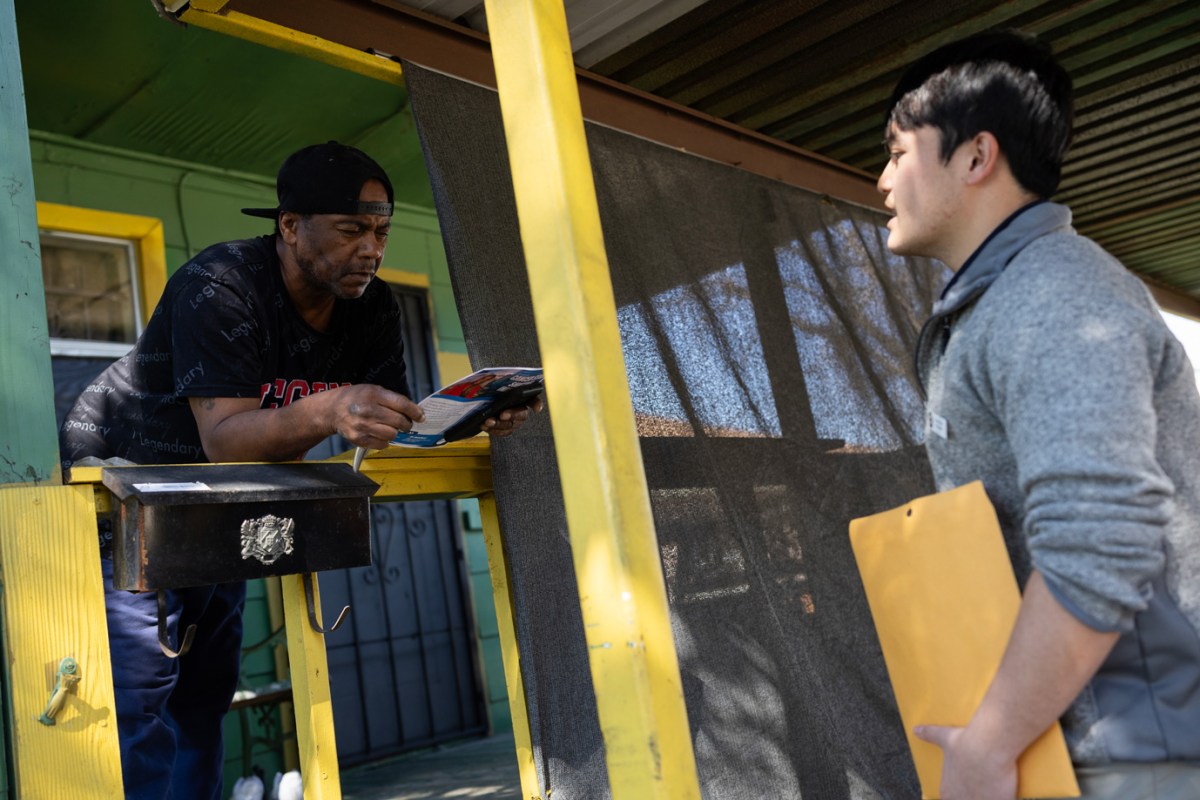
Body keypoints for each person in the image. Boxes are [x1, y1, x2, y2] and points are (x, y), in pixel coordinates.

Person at [59, 141, 539, 799]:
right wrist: (332, 407)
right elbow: (225, 439)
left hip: (223, 497)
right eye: (350, 230)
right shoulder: (220, 283)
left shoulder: (372, 306)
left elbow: (385, 421)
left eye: (381, 233)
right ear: (290, 225)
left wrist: (473, 417)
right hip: (121, 483)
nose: (370, 249)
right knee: (137, 692)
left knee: (203, 692)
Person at [877, 31, 1200, 800]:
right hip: (1082, 743)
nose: (882, 181)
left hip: (1137, 752)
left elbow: (1098, 538)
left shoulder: (1051, 293)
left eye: (896, 152)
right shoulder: (1004, 301)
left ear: (976, 156)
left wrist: (988, 745)